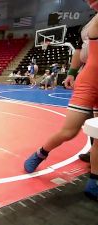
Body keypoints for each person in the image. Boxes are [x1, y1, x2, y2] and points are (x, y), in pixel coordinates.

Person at [24, 0, 98, 200]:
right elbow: (79, 51)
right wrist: (72, 72)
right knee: (69, 131)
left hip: (91, 76)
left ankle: (94, 181)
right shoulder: (93, 24)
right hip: (90, 80)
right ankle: (40, 153)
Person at [63, 16, 97, 163]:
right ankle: (94, 153)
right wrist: (72, 73)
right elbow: (79, 48)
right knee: (93, 119)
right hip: (89, 71)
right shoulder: (87, 23)